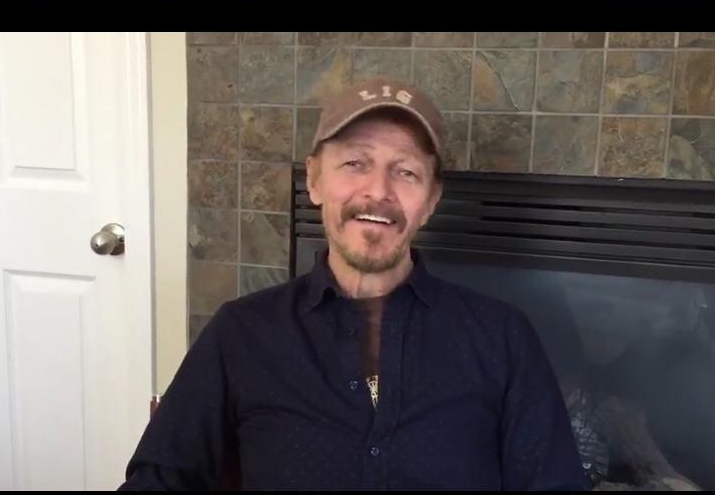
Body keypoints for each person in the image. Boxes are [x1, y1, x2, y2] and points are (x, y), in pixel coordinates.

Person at [119, 77, 588, 490]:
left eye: (405, 171)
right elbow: (160, 480)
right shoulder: (242, 333)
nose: (378, 191)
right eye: (355, 164)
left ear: (430, 200)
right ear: (314, 180)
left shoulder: (501, 337)